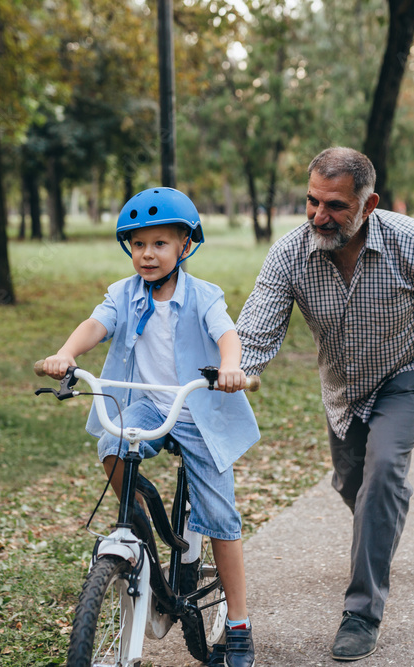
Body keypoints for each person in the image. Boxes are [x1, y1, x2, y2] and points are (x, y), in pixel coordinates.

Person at [236, 147, 414, 662]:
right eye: (311, 201)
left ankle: (362, 613)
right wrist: (240, 372)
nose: (318, 216)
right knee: (353, 484)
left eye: (334, 205)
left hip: (409, 370)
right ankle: (382, 516)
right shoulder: (291, 252)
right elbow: (257, 328)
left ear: (369, 203)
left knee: (382, 474)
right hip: (343, 385)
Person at [41, 187, 259, 667]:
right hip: (144, 404)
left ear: (185, 245)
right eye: (138, 244)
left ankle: (239, 623)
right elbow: (96, 323)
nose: (147, 254)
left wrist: (230, 367)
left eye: (160, 244)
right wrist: (67, 354)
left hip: (196, 410)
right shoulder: (123, 293)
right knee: (111, 445)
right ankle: (138, 520)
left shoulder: (204, 295)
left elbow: (227, 333)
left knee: (221, 520)